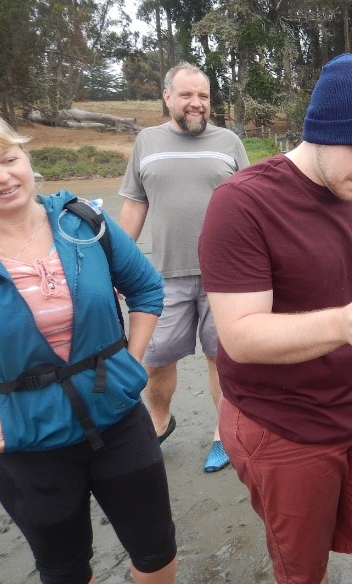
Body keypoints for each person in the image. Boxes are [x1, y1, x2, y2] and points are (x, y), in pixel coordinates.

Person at [197, 53, 352, 584]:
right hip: (279, 423)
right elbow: (241, 336)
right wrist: (342, 324)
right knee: (302, 569)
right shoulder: (242, 204)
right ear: (320, 129)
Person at [0, 110, 177, 583]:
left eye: (9, 158)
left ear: (26, 157)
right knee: (63, 571)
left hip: (119, 419)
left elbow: (146, 290)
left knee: (156, 552)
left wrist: (132, 361)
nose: (2, 176)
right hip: (27, 440)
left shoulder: (81, 222)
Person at [118, 62, 250, 473]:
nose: (197, 104)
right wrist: (116, 264)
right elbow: (134, 205)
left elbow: (253, 206)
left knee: (222, 360)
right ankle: (159, 419)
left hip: (226, 277)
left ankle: (222, 433)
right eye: (187, 95)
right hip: (163, 276)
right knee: (156, 361)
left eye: (204, 96)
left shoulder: (229, 142)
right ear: (167, 97)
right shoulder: (147, 142)